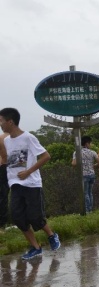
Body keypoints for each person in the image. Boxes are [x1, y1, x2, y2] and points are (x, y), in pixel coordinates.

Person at [0, 107, 61, 260]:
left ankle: (52, 235)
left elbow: (46, 156)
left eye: (1, 121)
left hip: (32, 183)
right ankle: (36, 247)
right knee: (17, 217)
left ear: (10, 122)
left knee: (35, 217)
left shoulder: (28, 138)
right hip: (15, 184)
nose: (0, 124)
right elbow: (9, 160)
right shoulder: (6, 141)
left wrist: (28, 171)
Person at [72, 136, 99, 213]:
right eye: (90, 143)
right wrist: (94, 165)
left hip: (83, 174)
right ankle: (90, 209)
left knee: (85, 193)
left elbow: (74, 163)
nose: (91, 144)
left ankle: (87, 210)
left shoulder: (76, 152)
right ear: (87, 143)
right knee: (90, 192)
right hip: (92, 174)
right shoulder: (92, 152)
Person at [0, 131, 9, 227]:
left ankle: (2, 223)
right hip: (19, 166)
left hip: (4, 166)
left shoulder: (1, 138)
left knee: (3, 195)